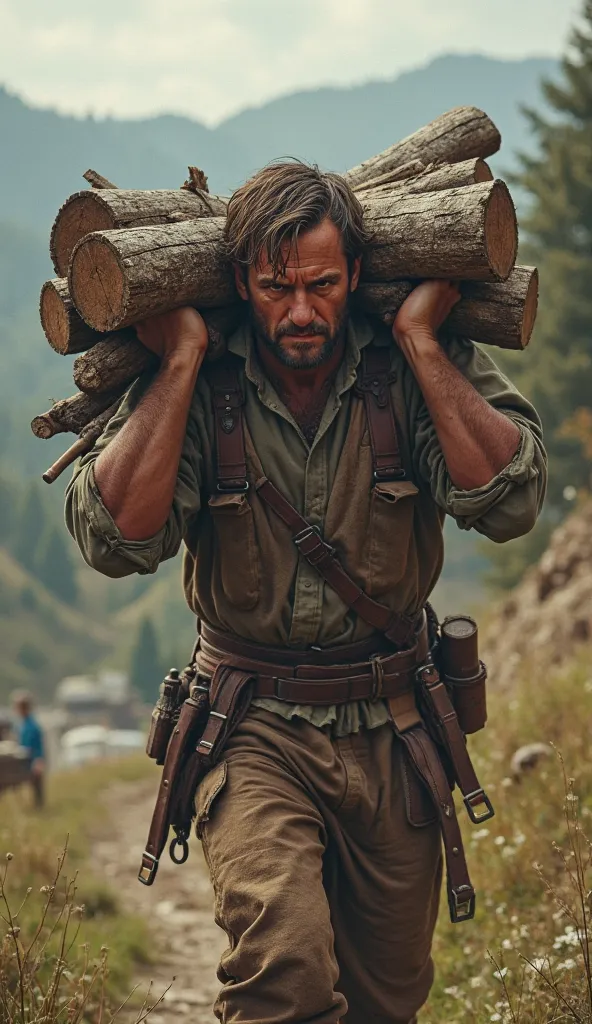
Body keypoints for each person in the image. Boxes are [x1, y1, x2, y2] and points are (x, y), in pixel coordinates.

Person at [65, 161, 547, 1024]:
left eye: (321, 286)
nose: (297, 311)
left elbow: (510, 500)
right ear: (240, 279)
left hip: (397, 729)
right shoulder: (202, 381)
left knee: (384, 1001)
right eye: (273, 286)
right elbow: (115, 541)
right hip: (251, 724)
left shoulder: (410, 367)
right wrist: (177, 361)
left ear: (354, 275)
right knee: (283, 973)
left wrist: (423, 345)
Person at [11, 690, 45, 808]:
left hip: (33, 761)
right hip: (25, 760)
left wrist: (39, 760)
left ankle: (39, 808)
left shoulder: (32, 725)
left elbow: (38, 746)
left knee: (37, 790)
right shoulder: (22, 725)